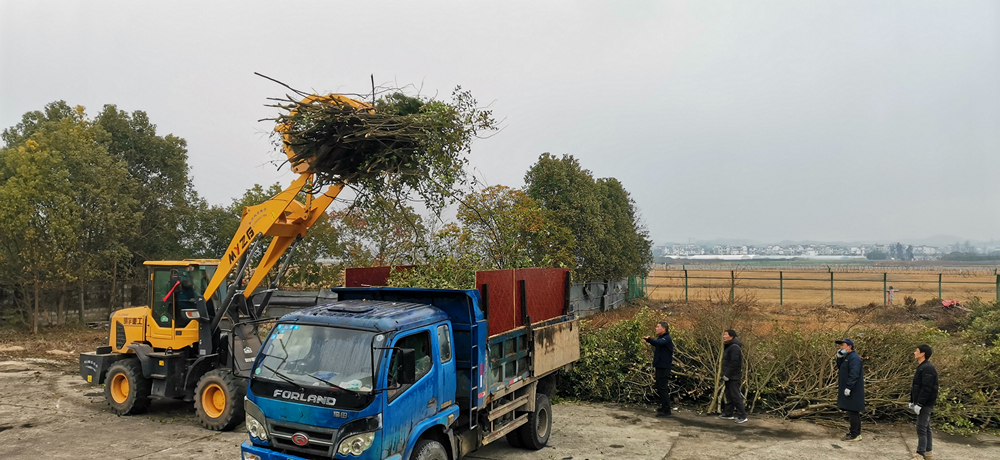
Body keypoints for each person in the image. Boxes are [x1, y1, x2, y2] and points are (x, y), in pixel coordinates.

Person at [910, 344, 938, 460]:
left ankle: (920, 454)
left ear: (923, 354)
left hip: (926, 403)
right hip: (921, 402)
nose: (914, 353)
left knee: (921, 427)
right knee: (926, 427)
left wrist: (920, 404)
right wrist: (912, 401)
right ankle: (928, 452)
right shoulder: (922, 367)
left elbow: (927, 388)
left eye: (917, 351)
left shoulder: (928, 368)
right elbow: (916, 386)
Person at [836, 338, 865, 441]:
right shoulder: (847, 357)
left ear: (849, 347)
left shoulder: (854, 358)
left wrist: (849, 387)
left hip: (854, 390)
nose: (841, 347)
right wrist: (839, 357)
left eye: (842, 345)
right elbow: (841, 368)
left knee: (853, 412)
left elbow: (854, 374)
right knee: (852, 411)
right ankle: (855, 432)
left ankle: (855, 434)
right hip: (849, 388)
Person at [644, 321, 674, 417]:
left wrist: (649, 340)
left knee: (663, 388)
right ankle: (664, 406)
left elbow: (657, 343)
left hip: (664, 367)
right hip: (659, 366)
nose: (656, 328)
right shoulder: (661, 338)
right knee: (660, 387)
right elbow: (657, 343)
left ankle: (667, 410)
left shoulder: (666, 338)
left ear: (663, 329)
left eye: (658, 327)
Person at [719, 329, 747, 423]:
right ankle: (728, 413)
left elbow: (734, 363)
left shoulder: (734, 347)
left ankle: (742, 416)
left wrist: (727, 375)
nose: (723, 336)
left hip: (733, 377)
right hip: (728, 376)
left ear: (731, 336)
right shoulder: (729, 346)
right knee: (729, 395)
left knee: (735, 395)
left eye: (725, 334)